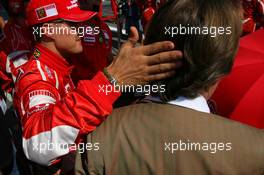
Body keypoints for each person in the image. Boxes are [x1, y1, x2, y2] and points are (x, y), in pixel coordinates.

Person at [75, 0, 264, 174]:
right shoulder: (255, 150)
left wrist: (112, 79)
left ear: (148, 46)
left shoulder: (96, 134)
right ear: (224, 67)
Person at [13, 0, 182, 171]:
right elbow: (38, 144)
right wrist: (114, 78)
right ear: (48, 30)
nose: (81, 30)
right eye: (73, 24)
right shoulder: (36, 76)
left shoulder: (58, 67)